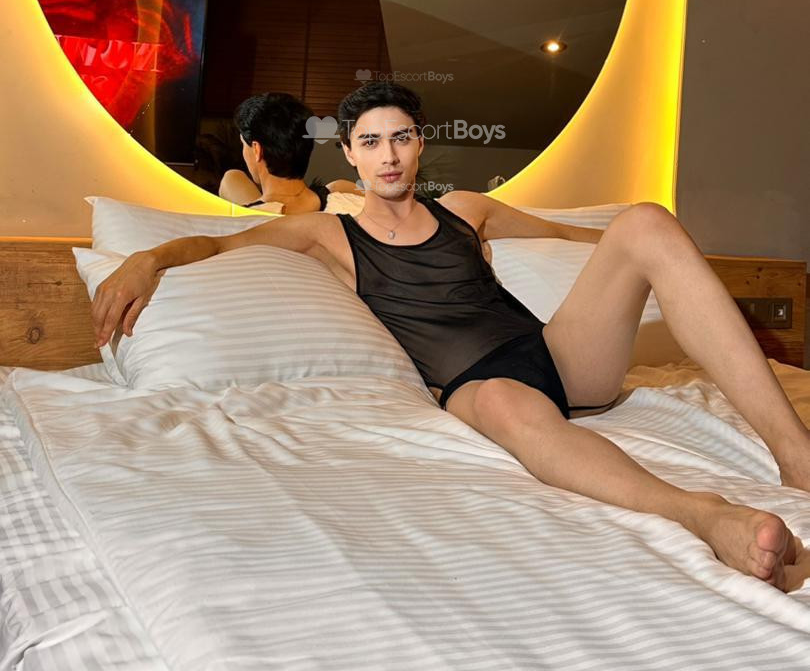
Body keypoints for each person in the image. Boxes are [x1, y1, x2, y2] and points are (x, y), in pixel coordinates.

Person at [92, 82, 810, 592]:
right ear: (350, 155)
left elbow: (581, 237)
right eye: (371, 142)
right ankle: (707, 517)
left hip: (559, 358)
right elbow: (220, 244)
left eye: (400, 137)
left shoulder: (467, 210)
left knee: (646, 220)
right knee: (502, 404)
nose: (388, 155)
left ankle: (794, 452)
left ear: (420, 144)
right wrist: (147, 258)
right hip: (474, 383)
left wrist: (666, 255)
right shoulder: (330, 234)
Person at [218, 92, 363, 214]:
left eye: (244, 145)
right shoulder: (343, 192)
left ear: (257, 150)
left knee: (231, 177)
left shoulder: (247, 220)